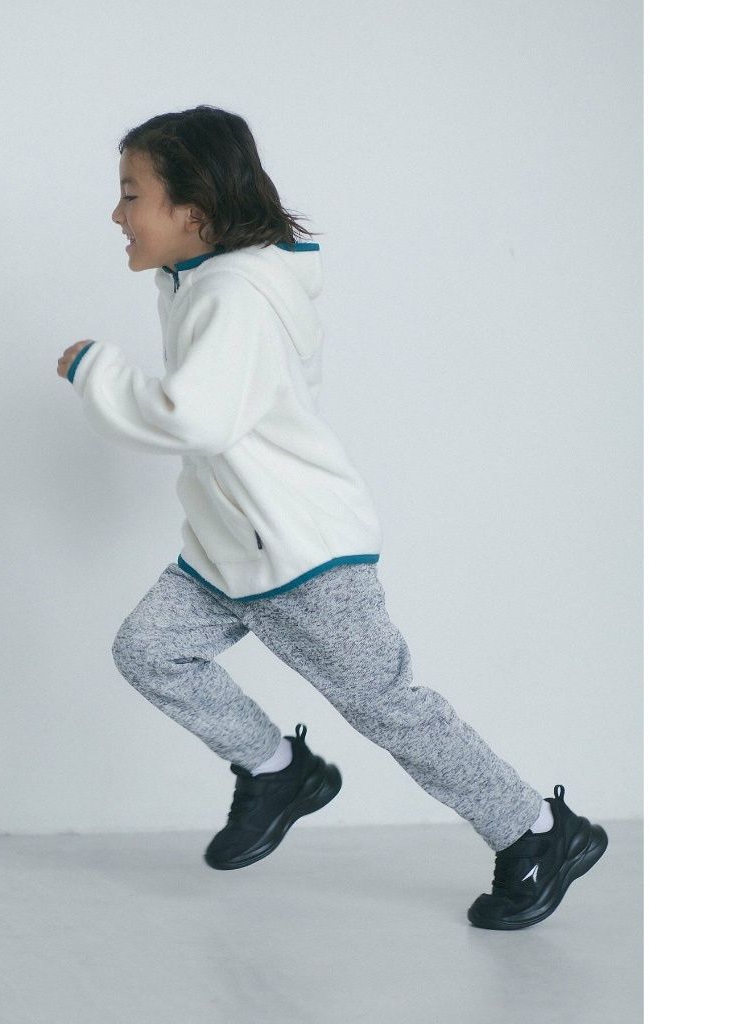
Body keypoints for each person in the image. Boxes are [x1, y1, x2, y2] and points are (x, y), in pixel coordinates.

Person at [56, 105, 607, 930]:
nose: (117, 213)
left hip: (300, 554)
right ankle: (279, 770)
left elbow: (193, 417)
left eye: (132, 194)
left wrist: (98, 372)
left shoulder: (234, 294)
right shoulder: (201, 282)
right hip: (230, 548)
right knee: (151, 650)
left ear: (193, 212)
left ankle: (536, 830)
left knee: (388, 705)